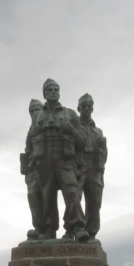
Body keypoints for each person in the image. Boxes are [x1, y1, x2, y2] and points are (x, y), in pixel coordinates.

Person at [28, 79, 89, 241]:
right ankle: (49, 229)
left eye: (56, 89)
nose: (53, 92)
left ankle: (76, 227)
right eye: (49, 90)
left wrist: (70, 129)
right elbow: (31, 139)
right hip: (45, 161)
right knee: (47, 197)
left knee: (71, 192)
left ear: (59, 92)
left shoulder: (70, 114)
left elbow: (83, 141)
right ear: (44, 94)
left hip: (64, 160)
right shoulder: (38, 116)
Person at [76, 93, 107, 240]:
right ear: (78, 108)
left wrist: (100, 166)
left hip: (94, 169)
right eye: (83, 106)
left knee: (95, 203)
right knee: (74, 199)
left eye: (89, 106)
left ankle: (91, 233)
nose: (86, 109)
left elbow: (103, 151)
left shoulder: (98, 131)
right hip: (78, 167)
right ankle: (75, 229)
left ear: (92, 109)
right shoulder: (74, 127)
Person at [21, 99, 44, 240]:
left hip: (51, 166)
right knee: (32, 195)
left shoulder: (47, 125)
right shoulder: (31, 130)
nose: (35, 113)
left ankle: (70, 229)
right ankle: (39, 227)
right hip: (34, 169)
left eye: (37, 110)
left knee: (49, 198)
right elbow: (28, 149)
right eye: (32, 111)